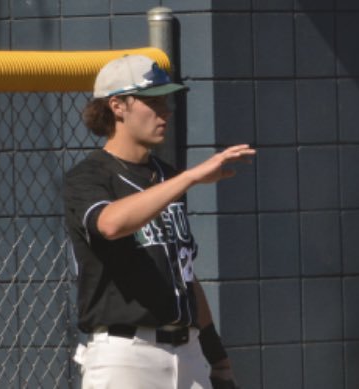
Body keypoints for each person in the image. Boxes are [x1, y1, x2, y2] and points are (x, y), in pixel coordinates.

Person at [64, 54, 248, 389]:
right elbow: (110, 224)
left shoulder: (168, 177)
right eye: (152, 101)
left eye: (165, 100)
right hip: (126, 354)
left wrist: (217, 356)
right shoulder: (88, 176)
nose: (165, 110)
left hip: (188, 351)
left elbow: (185, 273)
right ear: (117, 106)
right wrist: (190, 178)